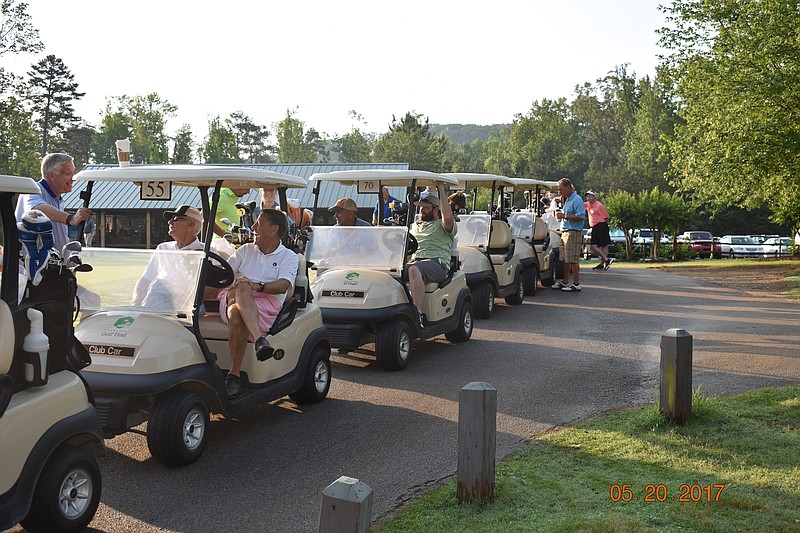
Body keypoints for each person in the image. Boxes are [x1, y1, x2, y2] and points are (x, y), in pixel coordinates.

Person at [218, 209, 298, 398]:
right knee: (242, 287)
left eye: (258, 224)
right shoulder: (245, 250)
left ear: (273, 230)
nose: (253, 227)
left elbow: (283, 285)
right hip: (232, 296)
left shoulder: (288, 256)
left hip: (266, 306)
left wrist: (257, 285)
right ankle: (260, 340)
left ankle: (234, 374)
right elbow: (225, 273)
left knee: (237, 312)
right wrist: (240, 282)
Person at [15, 153, 92, 251]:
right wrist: (70, 219)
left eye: (73, 173)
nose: (73, 178)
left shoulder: (58, 200)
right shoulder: (33, 190)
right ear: (51, 175)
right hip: (31, 264)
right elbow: (36, 210)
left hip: (53, 263)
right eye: (68, 173)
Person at [132, 205, 205, 307]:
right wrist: (135, 305)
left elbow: (216, 288)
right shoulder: (163, 249)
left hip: (189, 308)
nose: (170, 222)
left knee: (159, 285)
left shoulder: (207, 252)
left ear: (191, 224)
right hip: (159, 303)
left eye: (175, 219)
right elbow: (146, 280)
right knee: (158, 285)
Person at [407, 182, 456, 327]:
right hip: (416, 261)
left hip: (437, 264)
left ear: (436, 210)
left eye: (426, 207)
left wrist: (441, 189)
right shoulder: (414, 225)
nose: (421, 210)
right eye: (421, 207)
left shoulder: (443, 225)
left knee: (414, 270)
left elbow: (447, 216)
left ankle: (417, 315)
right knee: (389, 274)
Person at [552, 178, 585, 292]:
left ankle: (576, 283)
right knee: (565, 259)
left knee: (573, 259)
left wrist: (564, 216)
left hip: (573, 232)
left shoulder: (577, 199)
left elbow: (581, 216)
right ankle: (565, 282)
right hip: (566, 231)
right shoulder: (568, 199)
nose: (560, 192)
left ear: (568, 187)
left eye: (561, 189)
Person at [584, 190, 614, 271]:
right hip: (594, 227)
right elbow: (579, 205)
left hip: (601, 225)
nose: (588, 198)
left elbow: (607, 217)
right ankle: (606, 259)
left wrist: (602, 224)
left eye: (590, 196)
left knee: (603, 245)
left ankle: (602, 263)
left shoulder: (599, 206)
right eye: (587, 196)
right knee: (594, 246)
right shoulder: (587, 205)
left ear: (594, 197)